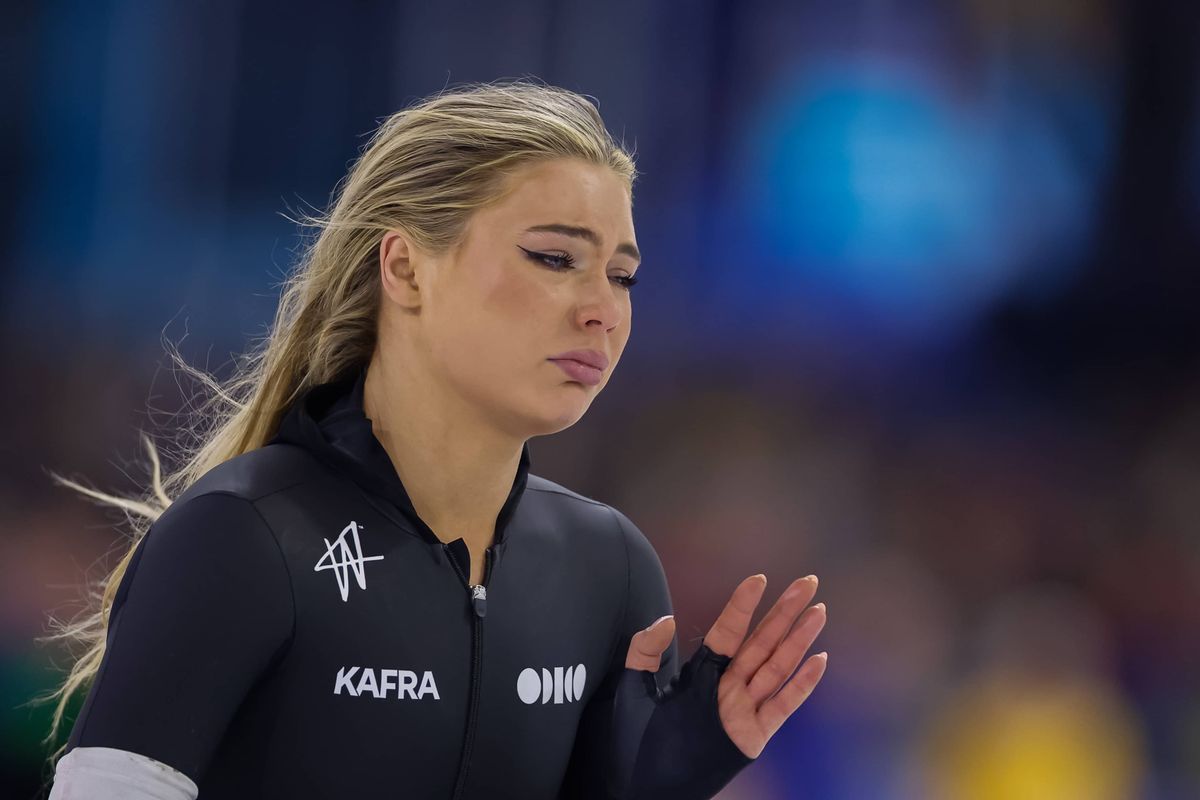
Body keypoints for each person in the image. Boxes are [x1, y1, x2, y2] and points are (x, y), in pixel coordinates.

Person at [41, 79, 828, 799]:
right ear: (407, 268)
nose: (602, 309)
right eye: (555, 258)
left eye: (622, 275)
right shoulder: (243, 539)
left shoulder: (610, 570)